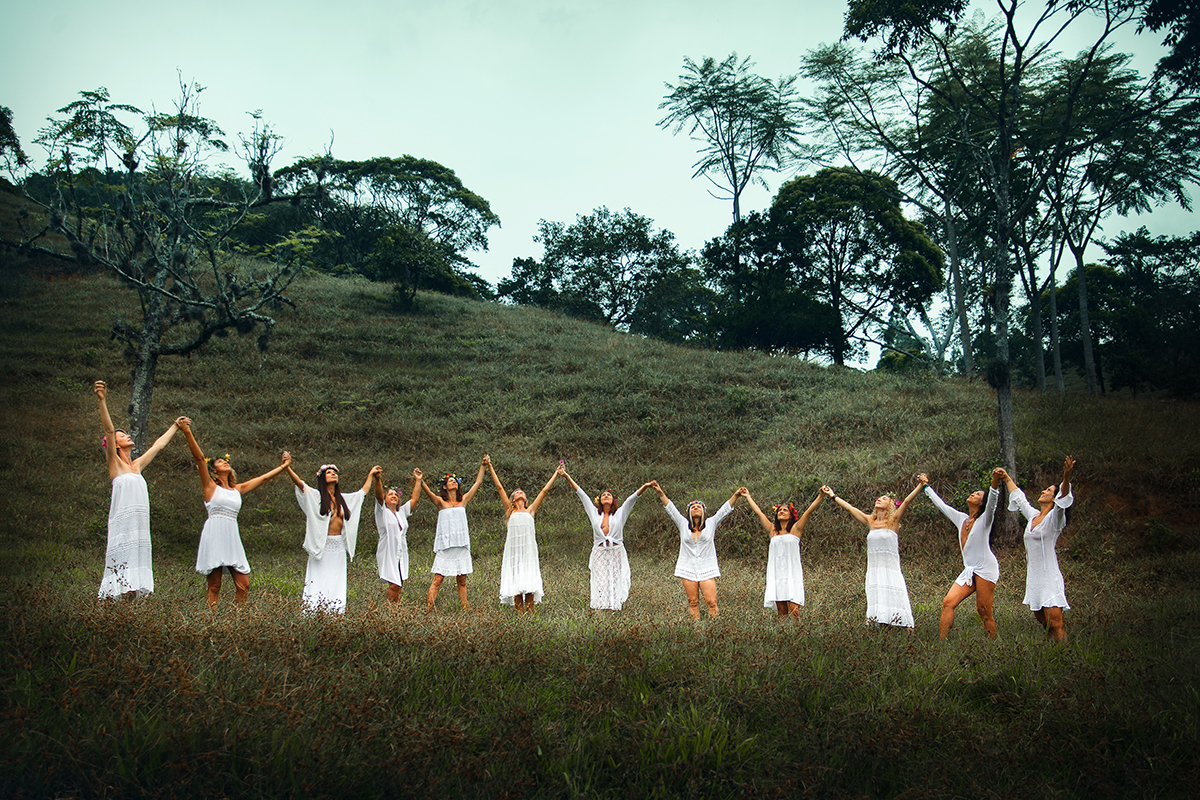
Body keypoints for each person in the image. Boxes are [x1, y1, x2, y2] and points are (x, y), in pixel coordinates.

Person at [178, 418, 291, 608]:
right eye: (220, 462)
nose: (224, 463)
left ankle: (239, 621)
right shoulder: (210, 486)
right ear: (214, 470)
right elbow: (199, 459)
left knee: (244, 584)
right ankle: (211, 622)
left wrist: (284, 466)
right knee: (215, 585)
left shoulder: (237, 489)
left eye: (224, 461)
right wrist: (187, 432)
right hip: (214, 533)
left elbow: (262, 479)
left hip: (232, 535)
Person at [93, 380, 182, 600]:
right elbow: (108, 429)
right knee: (122, 568)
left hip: (139, 526)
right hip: (123, 525)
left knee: (134, 573)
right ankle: (114, 612)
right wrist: (102, 400)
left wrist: (175, 426)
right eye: (123, 436)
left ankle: (128, 615)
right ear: (115, 444)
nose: (127, 436)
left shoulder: (137, 466)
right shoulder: (115, 465)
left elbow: (158, 446)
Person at [822, 481, 923, 628]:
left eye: (884, 498)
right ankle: (882, 627)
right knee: (878, 596)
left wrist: (920, 485)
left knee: (896, 595)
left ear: (890, 504)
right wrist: (832, 495)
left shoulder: (893, 521)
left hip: (891, 569)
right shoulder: (870, 520)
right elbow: (850, 508)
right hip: (875, 570)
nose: (879, 499)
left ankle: (906, 627)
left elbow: (907, 501)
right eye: (878, 498)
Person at [998, 456, 1076, 642]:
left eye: (1048, 490)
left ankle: (1065, 656)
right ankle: (1052, 654)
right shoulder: (1033, 516)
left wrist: (1066, 476)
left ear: (1055, 497)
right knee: (1043, 620)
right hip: (1034, 576)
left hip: (1049, 576)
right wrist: (1007, 477)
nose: (1043, 491)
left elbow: (1064, 496)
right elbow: (1020, 498)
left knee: (1056, 623)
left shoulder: (1055, 519)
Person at [919, 469, 1003, 639]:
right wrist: (925, 487)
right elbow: (942, 506)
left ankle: (994, 646)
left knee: (984, 611)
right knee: (948, 602)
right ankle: (942, 643)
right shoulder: (962, 519)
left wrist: (995, 480)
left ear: (982, 502)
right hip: (969, 569)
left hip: (986, 568)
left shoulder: (985, 520)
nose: (973, 494)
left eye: (977, 494)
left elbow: (993, 502)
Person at [560, 465, 654, 612]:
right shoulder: (594, 513)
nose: (605, 496)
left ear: (613, 500)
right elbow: (581, 494)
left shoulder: (619, 514)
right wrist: (566, 476)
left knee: (616, 578)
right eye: (603, 495)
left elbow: (631, 500)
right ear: (599, 500)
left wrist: (645, 486)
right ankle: (600, 608)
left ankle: (615, 607)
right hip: (599, 551)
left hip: (616, 550)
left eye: (608, 495)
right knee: (600, 580)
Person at [285, 460, 373, 614]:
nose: (333, 474)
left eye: (335, 472)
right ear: (322, 478)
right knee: (319, 578)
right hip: (322, 545)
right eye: (329, 472)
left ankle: (335, 613)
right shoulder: (316, 496)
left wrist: (371, 475)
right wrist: (287, 467)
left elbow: (362, 493)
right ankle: (313, 612)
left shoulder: (343, 499)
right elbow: (300, 484)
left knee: (336, 580)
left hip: (338, 546)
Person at [650, 480, 745, 620]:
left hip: (707, 566)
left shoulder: (711, 523)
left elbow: (724, 510)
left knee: (711, 602)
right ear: (688, 512)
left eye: (698, 507)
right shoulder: (683, 524)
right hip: (687, 566)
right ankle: (697, 631)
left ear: (703, 511)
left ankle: (715, 630)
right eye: (693, 507)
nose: (696, 508)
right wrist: (660, 492)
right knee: (693, 602)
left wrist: (736, 495)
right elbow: (670, 508)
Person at [486, 455, 559, 613]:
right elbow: (499, 487)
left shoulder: (530, 510)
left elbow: (544, 490)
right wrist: (490, 466)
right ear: (512, 499)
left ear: (525, 498)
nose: (519, 492)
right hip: (513, 550)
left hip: (528, 549)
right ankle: (520, 615)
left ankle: (531, 612)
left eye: (521, 492)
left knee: (529, 580)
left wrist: (556, 473)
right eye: (516, 492)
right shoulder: (509, 511)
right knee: (516, 581)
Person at [744, 488, 826, 618]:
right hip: (777, 573)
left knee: (794, 611)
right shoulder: (772, 530)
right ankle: (784, 636)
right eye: (779, 510)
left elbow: (809, 512)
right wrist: (747, 496)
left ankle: (798, 636)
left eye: (785, 510)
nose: (781, 511)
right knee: (782, 612)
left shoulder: (796, 529)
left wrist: (820, 496)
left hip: (792, 573)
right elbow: (758, 513)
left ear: (791, 514)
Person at [421, 458, 487, 610]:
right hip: (446, 545)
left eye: (455, 481)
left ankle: (465, 607)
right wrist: (421, 481)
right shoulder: (440, 502)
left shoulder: (463, 500)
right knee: (438, 579)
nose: (454, 482)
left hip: (461, 544)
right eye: (450, 481)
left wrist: (483, 466)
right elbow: (429, 493)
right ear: (445, 486)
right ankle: (429, 608)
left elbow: (477, 484)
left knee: (462, 580)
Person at [371, 466, 423, 603]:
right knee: (394, 584)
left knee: (399, 583)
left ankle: (396, 610)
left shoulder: (402, 512)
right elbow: (378, 495)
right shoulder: (382, 511)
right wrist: (378, 479)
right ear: (385, 499)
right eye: (390, 494)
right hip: (388, 550)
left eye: (396, 494)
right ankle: (390, 611)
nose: (394, 496)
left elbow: (414, 500)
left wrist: (418, 481)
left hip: (401, 550)